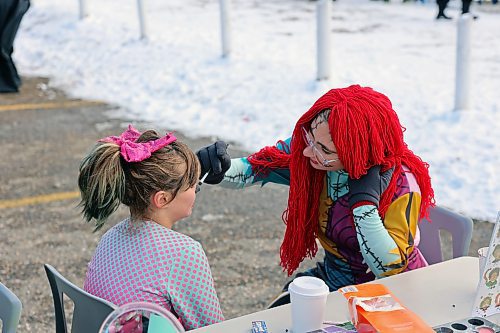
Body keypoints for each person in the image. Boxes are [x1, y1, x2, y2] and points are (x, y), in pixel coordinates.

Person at [198, 85, 435, 303]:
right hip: (335, 280)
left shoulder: (402, 184)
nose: (308, 152)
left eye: (324, 149)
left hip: (396, 294)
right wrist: (212, 166)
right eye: (310, 137)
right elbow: (252, 169)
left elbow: (390, 268)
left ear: (358, 153)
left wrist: (364, 205)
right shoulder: (310, 153)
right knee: (281, 316)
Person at [78, 125, 224, 330]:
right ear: (162, 199)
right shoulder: (183, 253)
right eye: (192, 183)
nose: (197, 189)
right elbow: (212, 328)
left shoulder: (110, 237)